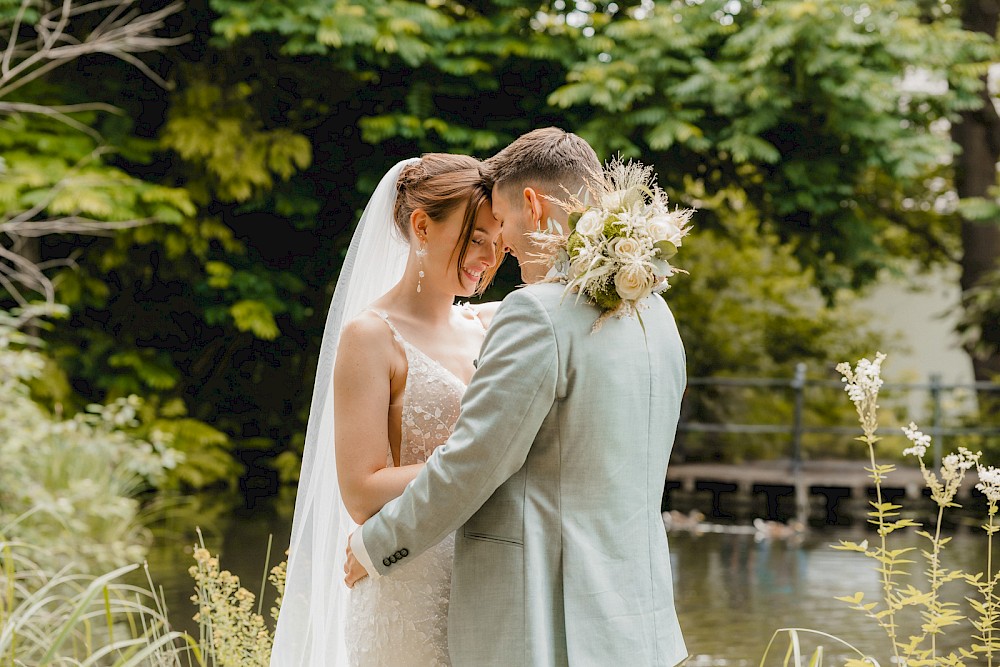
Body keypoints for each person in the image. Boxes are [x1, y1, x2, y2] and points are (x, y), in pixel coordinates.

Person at [346, 127, 689, 666]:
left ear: (530, 204)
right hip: (636, 621)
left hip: (544, 621)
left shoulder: (537, 313)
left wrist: (376, 544)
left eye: (500, 224)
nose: (500, 248)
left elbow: (476, 462)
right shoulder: (655, 314)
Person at [269, 154, 503, 666]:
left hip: (488, 581)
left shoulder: (492, 324)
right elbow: (360, 491)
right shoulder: (371, 337)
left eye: (497, 241)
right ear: (422, 225)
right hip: (408, 587)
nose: (488, 256)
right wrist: (481, 460)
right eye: (476, 237)